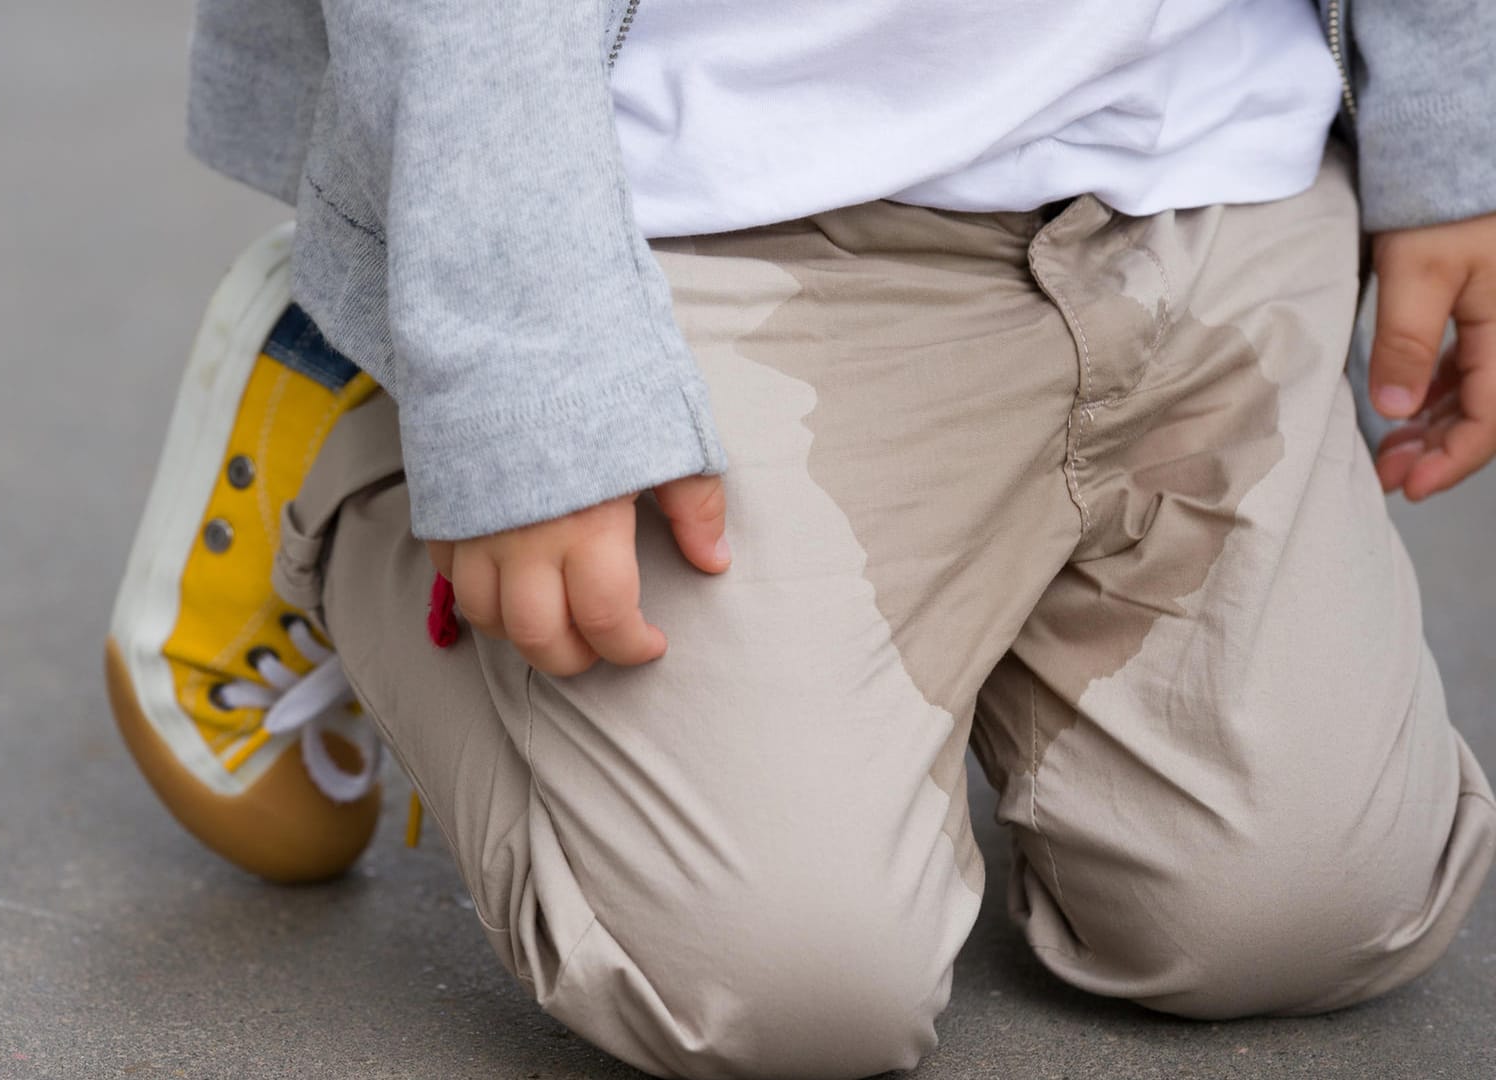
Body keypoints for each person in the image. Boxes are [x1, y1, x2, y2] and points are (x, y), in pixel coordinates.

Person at [104, 1, 1496, 1076]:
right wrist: (513, 358)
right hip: (693, 211)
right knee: (772, 981)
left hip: (1210, 178)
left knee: (1306, 909)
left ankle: (949, 619)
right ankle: (346, 429)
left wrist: (1455, 116)